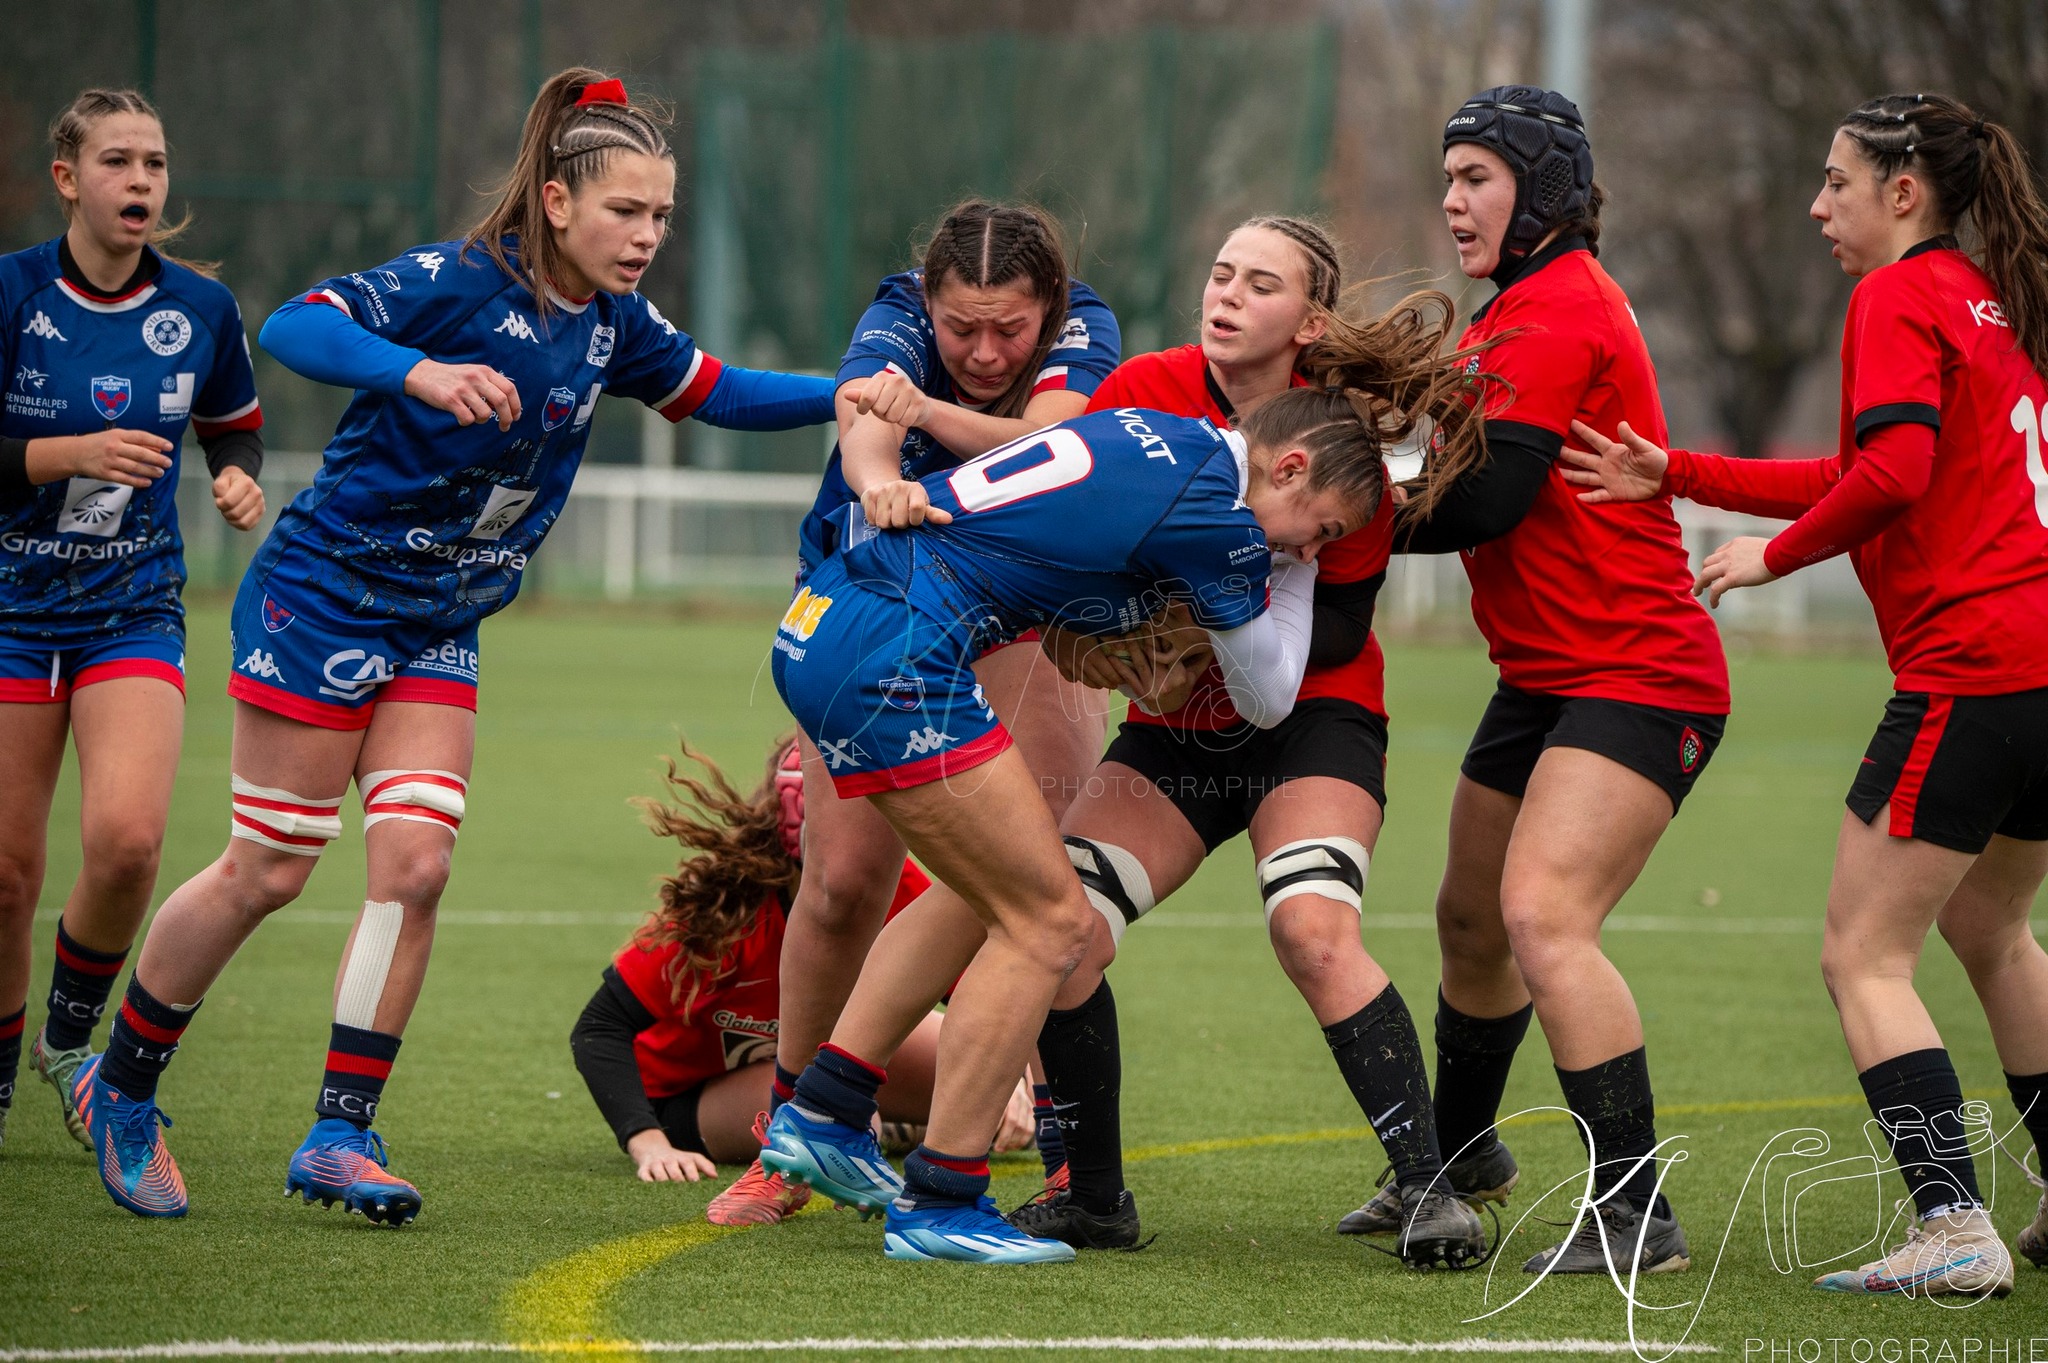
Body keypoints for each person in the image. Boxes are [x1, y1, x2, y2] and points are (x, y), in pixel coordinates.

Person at [69, 69, 838, 1223]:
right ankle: (122, 1086)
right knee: (269, 868)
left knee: (417, 867)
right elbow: (294, 324)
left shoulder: (613, 323)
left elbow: (716, 393)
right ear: (558, 201)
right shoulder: (455, 281)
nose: (646, 236)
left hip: (442, 615)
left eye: (661, 215)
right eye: (625, 212)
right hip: (324, 598)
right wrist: (416, 369)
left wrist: (862, 395)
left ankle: (339, 1131)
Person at [762, 385, 1455, 1264]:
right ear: (1289, 466)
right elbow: (1270, 696)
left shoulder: (1159, 430)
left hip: (825, 621)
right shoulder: (1224, 525)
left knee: (976, 899)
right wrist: (1298, 571)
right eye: (1317, 526)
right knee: (1050, 920)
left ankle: (824, 1110)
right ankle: (941, 1198)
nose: (1306, 544)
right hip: (897, 654)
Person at [1561, 92, 2048, 1298]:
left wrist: (1765, 557)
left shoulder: (1893, 294)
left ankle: (1950, 1222)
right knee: (1989, 927)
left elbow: (1890, 471)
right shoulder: (1992, 303)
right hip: (2037, 666)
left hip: (1971, 667)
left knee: (1859, 954)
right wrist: (1674, 472)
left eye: (1835, 182)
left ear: (1902, 191)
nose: (1814, 203)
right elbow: (1867, 467)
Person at [1004, 216, 1492, 1268]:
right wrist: (1114, 633)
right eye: (1218, 271)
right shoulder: (1143, 386)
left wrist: (1193, 620)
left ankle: (1428, 1189)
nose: (1223, 293)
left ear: (1308, 320)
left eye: (1257, 282)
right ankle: (1092, 1200)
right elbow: (1074, 542)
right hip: (1172, 730)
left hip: (1311, 720)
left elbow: (1342, 633)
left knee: (1311, 930)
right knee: (1059, 928)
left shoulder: (1349, 432)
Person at [1360, 87, 1733, 1275]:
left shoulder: (1556, 306)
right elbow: (1438, 467)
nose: (1451, 199)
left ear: (1544, 191)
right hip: (1546, 674)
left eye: (1475, 175)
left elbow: (1483, 498)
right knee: (1469, 920)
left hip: (1639, 670)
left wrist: (1319, 512)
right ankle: (1459, 1157)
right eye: (1448, 176)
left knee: (1540, 919)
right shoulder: (1508, 313)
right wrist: (1367, 443)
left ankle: (1636, 1215)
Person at [705, 201, 1120, 1225]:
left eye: (1007, 331)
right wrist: (880, 479)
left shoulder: (1085, 329)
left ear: (1050, 310)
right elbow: (861, 422)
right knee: (843, 880)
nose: (982, 351)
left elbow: (1041, 446)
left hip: (1023, 605)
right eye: (958, 329)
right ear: (924, 302)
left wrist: (925, 421)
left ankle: (1067, 1149)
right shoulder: (891, 315)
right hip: (877, 592)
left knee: (1040, 878)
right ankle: (796, 1135)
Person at [0, 88, 265, 1151]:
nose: (142, 182)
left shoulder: (199, 309)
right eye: (118, 162)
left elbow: (233, 429)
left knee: (126, 843)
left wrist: (238, 481)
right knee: (7, 872)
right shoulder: (14, 295)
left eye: (155, 163)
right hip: (12, 606)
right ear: (68, 178)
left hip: (131, 609)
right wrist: (67, 456)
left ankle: (70, 1043)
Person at [570, 738, 1039, 1202]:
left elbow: (977, 990)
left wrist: (1010, 1072)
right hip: (694, 1089)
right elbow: (599, 1028)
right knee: (839, 1125)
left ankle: (903, 1121)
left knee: (994, 1095)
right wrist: (645, 1139)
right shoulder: (722, 908)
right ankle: (886, 1120)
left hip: (820, 1048)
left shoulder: (894, 884)